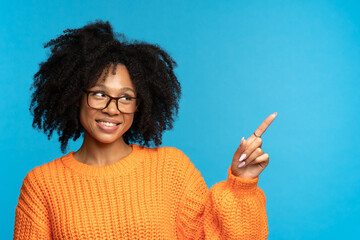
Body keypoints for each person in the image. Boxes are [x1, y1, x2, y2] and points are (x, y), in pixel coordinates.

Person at [13, 20, 276, 239]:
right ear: (75, 96)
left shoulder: (171, 169)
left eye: (126, 97)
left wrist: (242, 183)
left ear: (140, 104)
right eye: (99, 94)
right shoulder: (41, 185)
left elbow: (215, 235)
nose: (112, 109)